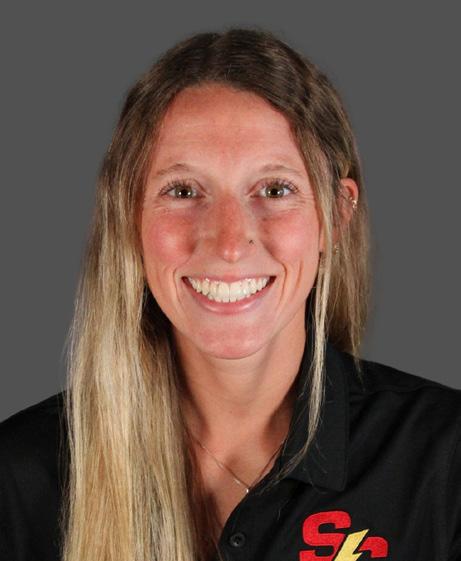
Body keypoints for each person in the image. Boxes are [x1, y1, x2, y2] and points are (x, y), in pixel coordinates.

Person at [1, 26, 460, 561]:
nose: (229, 243)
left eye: (274, 189)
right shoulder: (19, 478)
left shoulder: (444, 460)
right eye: (183, 190)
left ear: (336, 215)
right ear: (128, 216)